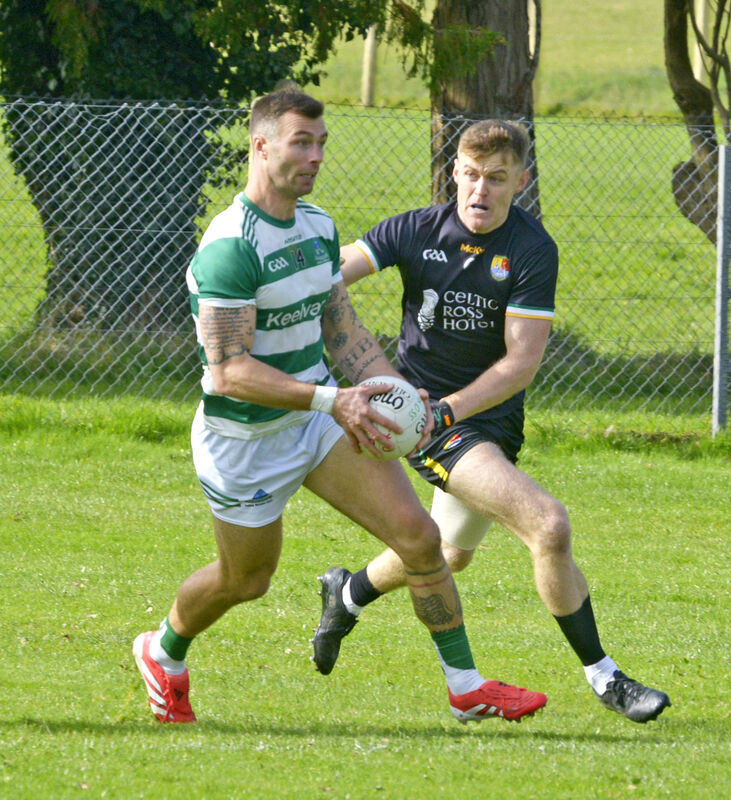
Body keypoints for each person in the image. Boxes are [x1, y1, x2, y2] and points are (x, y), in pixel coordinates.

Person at [132, 90, 547, 725]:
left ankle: (466, 687)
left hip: (319, 421)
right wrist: (335, 399)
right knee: (246, 581)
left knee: (420, 538)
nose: (316, 156)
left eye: (321, 143)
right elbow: (230, 373)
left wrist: (399, 397)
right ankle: (163, 650)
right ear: (261, 146)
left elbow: (342, 330)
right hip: (245, 441)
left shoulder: (317, 227)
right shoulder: (230, 247)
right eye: (301, 142)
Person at [311, 118, 671, 724]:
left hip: (481, 420)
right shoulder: (413, 230)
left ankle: (345, 593)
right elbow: (324, 279)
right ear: (454, 172)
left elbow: (520, 363)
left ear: (520, 181)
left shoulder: (531, 249)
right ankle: (606, 678)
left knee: (448, 552)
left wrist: (452, 408)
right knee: (548, 525)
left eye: (497, 178)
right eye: (472, 175)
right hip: (429, 421)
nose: (481, 190)